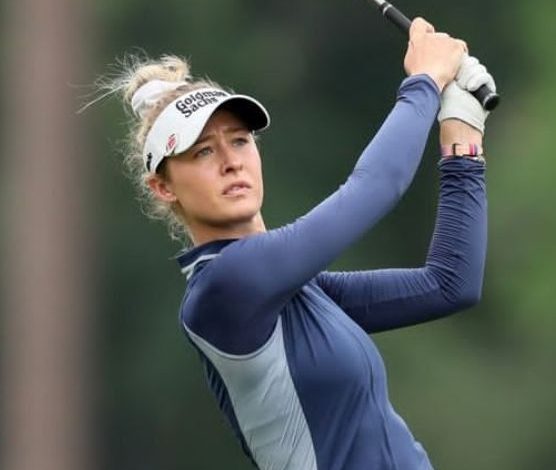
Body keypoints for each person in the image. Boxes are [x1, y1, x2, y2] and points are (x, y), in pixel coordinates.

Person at [111, 17, 494, 470]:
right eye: (204, 151)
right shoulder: (226, 286)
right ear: (163, 187)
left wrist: (463, 136)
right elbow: (376, 186)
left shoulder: (300, 292)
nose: (232, 162)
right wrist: (425, 81)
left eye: (240, 140)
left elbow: (450, 284)